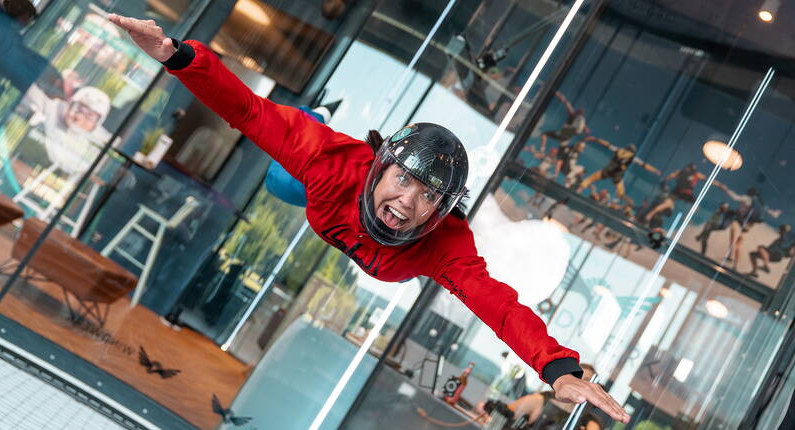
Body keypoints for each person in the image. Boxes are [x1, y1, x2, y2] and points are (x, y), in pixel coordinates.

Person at [107, 14, 631, 424]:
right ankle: (319, 113)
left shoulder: (442, 243)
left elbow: (499, 306)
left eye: (428, 197)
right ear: (381, 168)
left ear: (443, 210)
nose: (407, 203)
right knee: (281, 172)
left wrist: (556, 367)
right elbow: (246, 110)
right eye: (403, 180)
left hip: (339, 213)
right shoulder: (331, 162)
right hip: (312, 182)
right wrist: (175, 56)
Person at [508, 363, 602, 430]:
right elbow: (503, 415)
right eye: (578, 378)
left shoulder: (589, 423)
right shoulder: (541, 401)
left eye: (586, 381)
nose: (580, 384)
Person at [714, 182, 780, 270]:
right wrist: (777, 213)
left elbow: (735, 197)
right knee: (739, 244)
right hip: (748, 226)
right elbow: (772, 214)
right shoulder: (761, 204)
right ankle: (735, 265)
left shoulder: (747, 199)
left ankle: (730, 256)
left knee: (733, 238)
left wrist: (724, 188)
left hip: (739, 221)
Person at [575, 139, 660, 207]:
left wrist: (596, 140)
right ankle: (626, 199)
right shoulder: (633, 157)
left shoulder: (618, 150)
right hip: (617, 174)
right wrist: (655, 170)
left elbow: (607, 144)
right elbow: (644, 165)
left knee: (591, 178)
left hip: (608, 170)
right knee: (620, 191)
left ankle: (580, 189)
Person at [642, 163, 712, 225]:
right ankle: (650, 215)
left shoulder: (686, 173)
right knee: (694, 205)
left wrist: (665, 181)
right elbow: (671, 176)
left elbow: (671, 176)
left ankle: (650, 215)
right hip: (683, 192)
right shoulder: (694, 174)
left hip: (679, 192)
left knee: (667, 204)